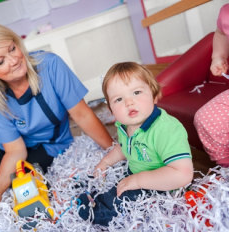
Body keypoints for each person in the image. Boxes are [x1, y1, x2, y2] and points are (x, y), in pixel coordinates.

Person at [0, 22, 113, 202]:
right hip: (9, 145)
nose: (14, 60)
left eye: (12, 49)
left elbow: (82, 114)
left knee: (26, 184)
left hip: (49, 143)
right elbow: (15, 150)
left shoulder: (51, 65)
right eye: (0, 62)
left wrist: (114, 151)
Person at [78, 62, 194, 226]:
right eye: (119, 99)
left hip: (163, 188)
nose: (129, 102)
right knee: (113, 186)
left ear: (154, 96)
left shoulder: (165, 130)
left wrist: (139, 180)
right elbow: (125, 147)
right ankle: (92, 195)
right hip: (137, 175)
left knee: (119, 204)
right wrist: (105, 162)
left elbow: (182, 174)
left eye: (137, 92)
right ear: (111, 110)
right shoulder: (125, 125)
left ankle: (97, 213)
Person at [194, 3, 229, 167]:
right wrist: (219, 56)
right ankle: (225, 168)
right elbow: (222, 33)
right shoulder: (226, 13)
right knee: (204, 119)